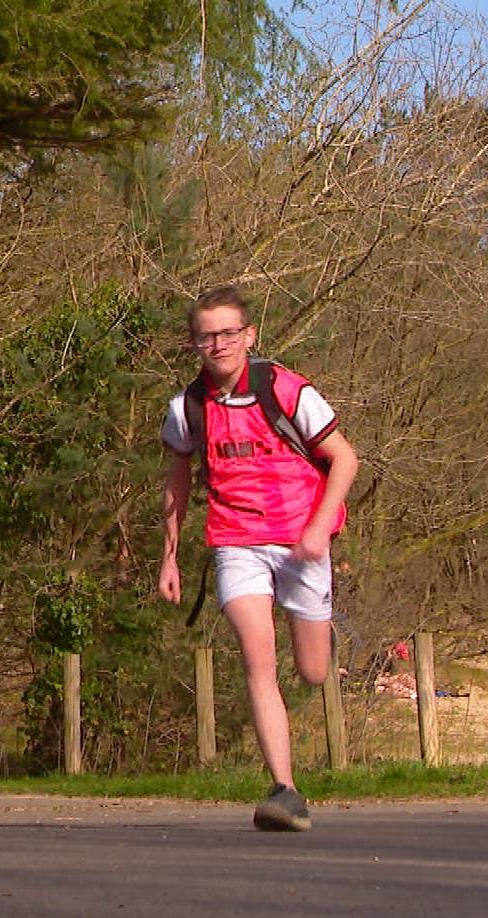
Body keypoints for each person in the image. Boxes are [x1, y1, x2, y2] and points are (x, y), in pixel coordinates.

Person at [158, 285, 358, 832]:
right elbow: (177, 482)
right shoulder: (187, 408)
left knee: (313, 672)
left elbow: (344, 459)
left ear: (249, 335)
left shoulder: (285, 389)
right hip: (236, 541)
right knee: (257, 658)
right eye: (206, 336)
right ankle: (285, 791)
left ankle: (319, 629)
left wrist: (318, 530)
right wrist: (169, 558)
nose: (218, 345)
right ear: (194, 343)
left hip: (300, 540)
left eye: (228, 333)